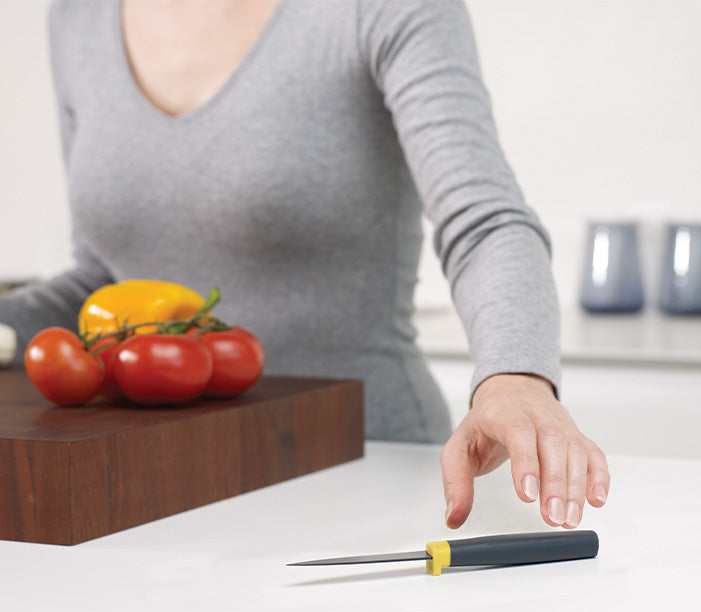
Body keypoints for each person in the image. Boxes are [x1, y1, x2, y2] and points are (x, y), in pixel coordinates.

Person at [0, 0, 610, 530]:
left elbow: (483, 221)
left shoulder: (378, 9)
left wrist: (514, 377)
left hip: (367, 477)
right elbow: (104, 282)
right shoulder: (77, 18)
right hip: (160, 492)